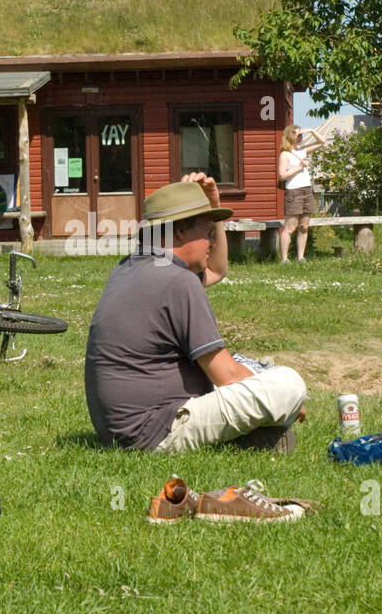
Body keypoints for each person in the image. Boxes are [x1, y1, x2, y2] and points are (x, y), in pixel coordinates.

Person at [84, 174, 308, 453]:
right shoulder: (178, 280)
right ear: (180, 232)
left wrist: (212, 207)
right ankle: (261, 428)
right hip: (155, 429)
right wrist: (281, 401)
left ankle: (257, 438)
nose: (212, 242)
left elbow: (216, 270)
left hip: (118, 429)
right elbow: (228, 377)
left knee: (256, 370)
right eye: (207, 232)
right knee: (289, 382)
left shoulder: (130, 267)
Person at [277, 124, 324, 263]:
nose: (300, 137)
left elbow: (322, 141)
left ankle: (300, 257)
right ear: (290, 136)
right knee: (290, 228)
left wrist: (311, 130)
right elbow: (282, 176)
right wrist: (299, 167)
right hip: (294, 191)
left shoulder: (303, 151)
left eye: (301, 135)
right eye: (298, 135)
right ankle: (284, 259)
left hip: (307, 190)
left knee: (304, 227)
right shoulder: (285, 154)